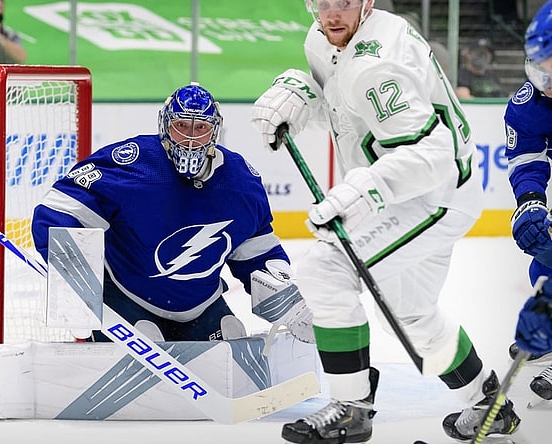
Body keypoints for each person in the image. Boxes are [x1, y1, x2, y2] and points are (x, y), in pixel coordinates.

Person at [251, 1, 520, 442]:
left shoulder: (379, 62)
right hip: (412, 188)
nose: (333, 13)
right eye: (324, 3)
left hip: (433, 193)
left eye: (345, 2)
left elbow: (433, 156)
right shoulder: (321, 39)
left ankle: (351, 407)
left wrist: (365, 191)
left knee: (326, 267)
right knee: (413, 313)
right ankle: (489, 402)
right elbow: (351, 114)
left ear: (367, 3)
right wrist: (302, 96)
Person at [31, 83, 312, 345]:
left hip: (200, 305)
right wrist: (75, 285)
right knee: (145, 339)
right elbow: (57, 211)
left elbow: (255, 251)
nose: (190, 138)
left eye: (200, 127)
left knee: (232, 338)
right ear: (165, 126)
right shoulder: (134, 163)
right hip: (129, 297)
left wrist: (285, 297)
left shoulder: (240, 181)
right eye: (181, 126)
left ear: (215, 131)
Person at [505, 0, 552, 405]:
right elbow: (527, 157)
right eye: (541, 67)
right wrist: (531, 200)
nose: (546, 81)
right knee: (545, 243)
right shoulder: (531, 103)